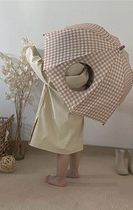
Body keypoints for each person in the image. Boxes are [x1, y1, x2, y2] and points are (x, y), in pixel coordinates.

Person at [25, 46, 91, 187]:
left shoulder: (58, 74)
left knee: (63, 148)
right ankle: (74, 171)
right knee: (75, 144)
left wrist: (30, 51)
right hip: (78, 113)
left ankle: (60, 179)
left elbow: (40, 68)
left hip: (61, 117)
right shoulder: (88, 71)